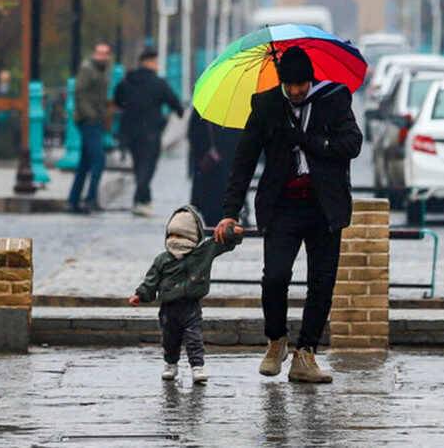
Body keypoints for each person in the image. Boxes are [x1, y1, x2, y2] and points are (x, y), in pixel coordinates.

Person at [215, 46, 363, 383]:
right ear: (282, 82)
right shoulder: (266, 105)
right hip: (282, 206)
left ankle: (306, 353)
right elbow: (245, 159)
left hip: (325, 205)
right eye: (291, 85)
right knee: (276, 277)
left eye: (303, 84)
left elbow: (351, 144)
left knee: (322, 283)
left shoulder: (335, 98)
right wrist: (229, 211)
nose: (297, 91)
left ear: (311, 79)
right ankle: (277, 340)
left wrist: (306, 140)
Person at [130, 205, 243, 384]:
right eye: (172, 235)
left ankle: (197, 366)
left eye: (180, 236)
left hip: (191, 306)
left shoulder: (201, 254)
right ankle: (170, 364)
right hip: (169, 308)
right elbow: (151, 280)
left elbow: (220, 242)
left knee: (194, 338)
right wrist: (141, 294)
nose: (175, 240)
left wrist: (232, 233)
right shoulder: (163, 259)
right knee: (169, 339)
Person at [114, 49, 184, 217]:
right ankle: (140, 198)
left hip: (131, 130)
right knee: (148, 166)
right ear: (151, 62)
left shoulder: (127, 81)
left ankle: (144, 200)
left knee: (138, 165)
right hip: (151, 130)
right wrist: (179, 111)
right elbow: (174, 101)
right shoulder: (158, 83)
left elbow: (117, 100)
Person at [67, 43, 112, 213]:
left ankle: (74, 200)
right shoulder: (87, 69)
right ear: (94, 54)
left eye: (105, 54)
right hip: (88, 120)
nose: (102, 57)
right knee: (98, 160)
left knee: (85, 162)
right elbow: (79, 92)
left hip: (96, 120)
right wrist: (90, 114)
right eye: (99, 53)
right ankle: (90, 198)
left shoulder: (102, 70)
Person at [187, 109, 243, 226]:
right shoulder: (238, 112)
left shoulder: (206, 108)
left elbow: (193, 133)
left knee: (210, 207)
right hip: (226, 168)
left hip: (209, 167)